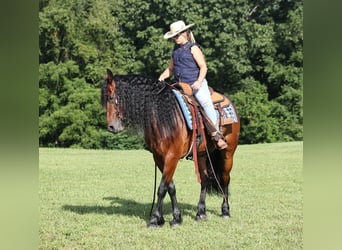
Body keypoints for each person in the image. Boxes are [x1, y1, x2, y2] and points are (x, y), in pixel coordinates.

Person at [159, 20, 227, 149]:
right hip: (181, 87)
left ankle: (216, 135)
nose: (176, 38)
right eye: (174, 36)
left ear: (185, 33)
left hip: (196, 84)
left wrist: (199, 81)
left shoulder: (193, 48)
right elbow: (170, 69)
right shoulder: (175, 51)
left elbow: (203, 67)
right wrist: (161, 77)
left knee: (205, 103)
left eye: (178, 35)